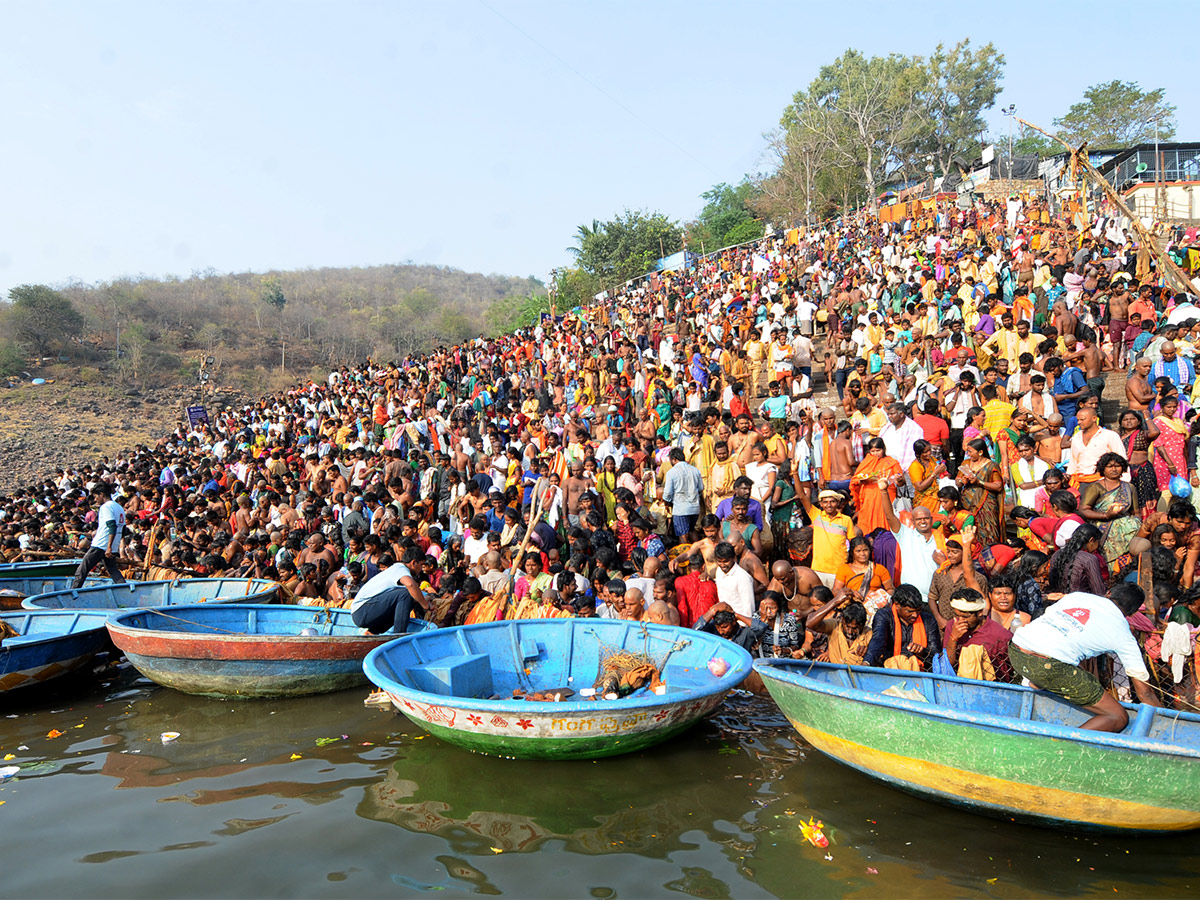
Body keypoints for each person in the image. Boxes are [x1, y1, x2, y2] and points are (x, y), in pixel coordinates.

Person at [1009, 583, 1161, 732]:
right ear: (1132, 613)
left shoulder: (1077, 597)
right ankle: (1063, 746)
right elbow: (1145, 693)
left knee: (1080, 673)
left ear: (1109, 593)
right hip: (1049, 667)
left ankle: (1039, 682)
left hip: (1016, 649)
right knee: (1118, 716)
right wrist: (1167, 720)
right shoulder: (1124, 634)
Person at [863, 583, 942, 670]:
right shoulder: (884, 616)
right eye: (909, 611)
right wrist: (867, 663)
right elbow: (878, 641)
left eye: (918, 610)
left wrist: (922, 652)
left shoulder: (928, 619)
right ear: (897, 606)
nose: (915, 615)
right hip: (890, 669)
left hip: (920, 672)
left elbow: (936, 654)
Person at [941, 587, 1014, 682]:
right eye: (957, 615)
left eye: (965, 617)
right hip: (957, 682)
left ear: (980, 613)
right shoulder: (953, 625)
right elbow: (947, 664)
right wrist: (953, 638)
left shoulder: (1000, 635)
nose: (960, 620)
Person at [72, 481, 128, 588]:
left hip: (101, 544)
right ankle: (124, 590)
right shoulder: (119, 507)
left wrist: (108, 547)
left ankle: (72, 592)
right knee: (113, 570)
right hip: (112, 544)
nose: (95, 499)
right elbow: (123, 529)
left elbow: (112, 526)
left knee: (82, 569)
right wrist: (115, 545)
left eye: (96, 496)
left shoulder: (106, 507)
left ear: (102, 494)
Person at [350, 558, 428, 634]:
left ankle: (372, 632)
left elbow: (416, 593)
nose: (421, 569)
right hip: (361, 611)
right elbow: (410, 584)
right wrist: (425, 605)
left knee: (409, 596)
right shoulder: (400, 569)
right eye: (421, 565)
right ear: (414, 563)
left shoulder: (397, 570)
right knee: (406, 594)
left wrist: (426, 599)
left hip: (364, 612)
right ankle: (398, 636)